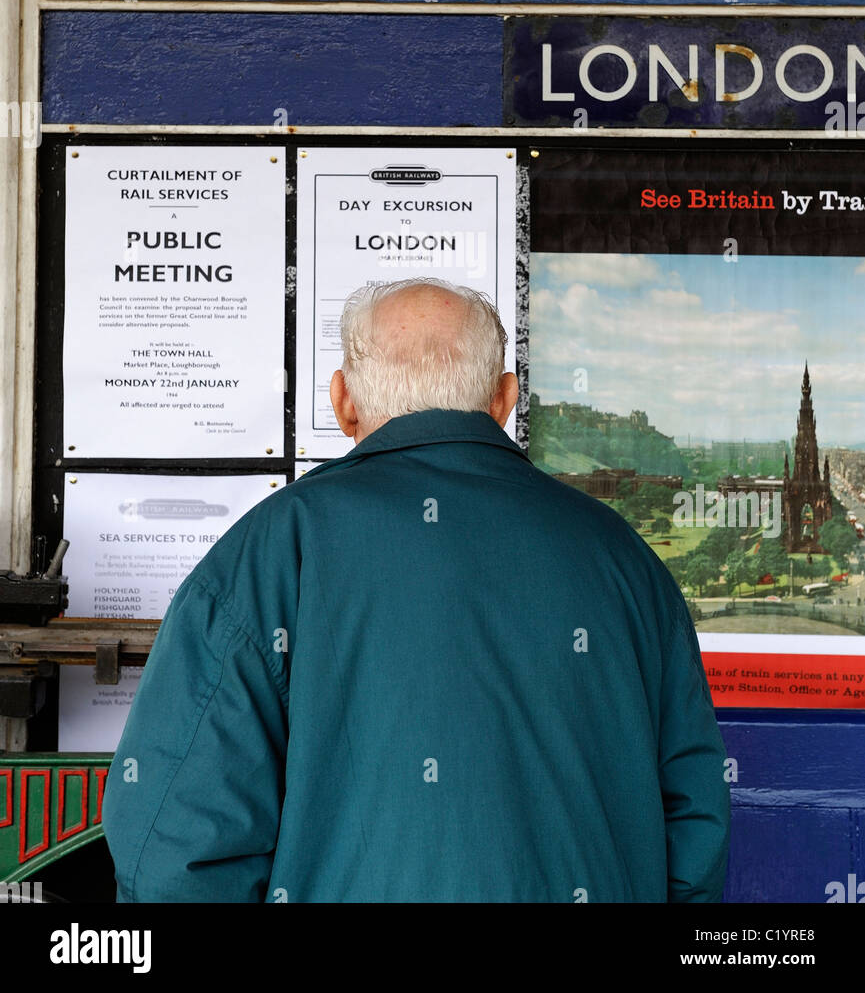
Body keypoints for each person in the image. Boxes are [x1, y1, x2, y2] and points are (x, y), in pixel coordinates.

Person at [101, 277, 730, 903]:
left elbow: (172, 846)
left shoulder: (268, 554)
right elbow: (695, 828)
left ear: (342, 401)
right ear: (505, 400)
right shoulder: (623, 556)